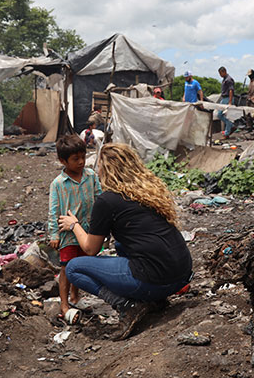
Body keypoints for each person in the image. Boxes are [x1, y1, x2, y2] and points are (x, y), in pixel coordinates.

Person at [58, 143, 192, 340]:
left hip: (156, 279)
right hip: (181, 274)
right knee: (121, 244)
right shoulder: (147, 191)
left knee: (74, 268)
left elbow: (90, 249)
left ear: (106, 169)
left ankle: (128, 306)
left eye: (100, 167)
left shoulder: (107, 201)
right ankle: (155, 300)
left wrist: (74, 224)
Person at [48, 135, 102, 323]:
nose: (81, 162)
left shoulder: (91, 176)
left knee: (81, 265)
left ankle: (75, 296)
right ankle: (64, 303)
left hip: (87, 230)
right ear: (63, 161)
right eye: (75, 159)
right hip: (67, 233)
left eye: (83, 157)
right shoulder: (58, 184)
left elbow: (100, 199)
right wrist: (54, 234)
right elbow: (53, 211)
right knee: (66, 267)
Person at [217, 66, 235, 138]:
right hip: (224, 98)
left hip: (228, 98)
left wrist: (230, 102)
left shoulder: (229, 79)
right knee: (219, 114)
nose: (220, 75)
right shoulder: (224, 79)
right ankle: (231, 126)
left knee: (225, 115)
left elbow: (231, 90)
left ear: (224, 72)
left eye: (220, 73)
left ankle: (227, 133)